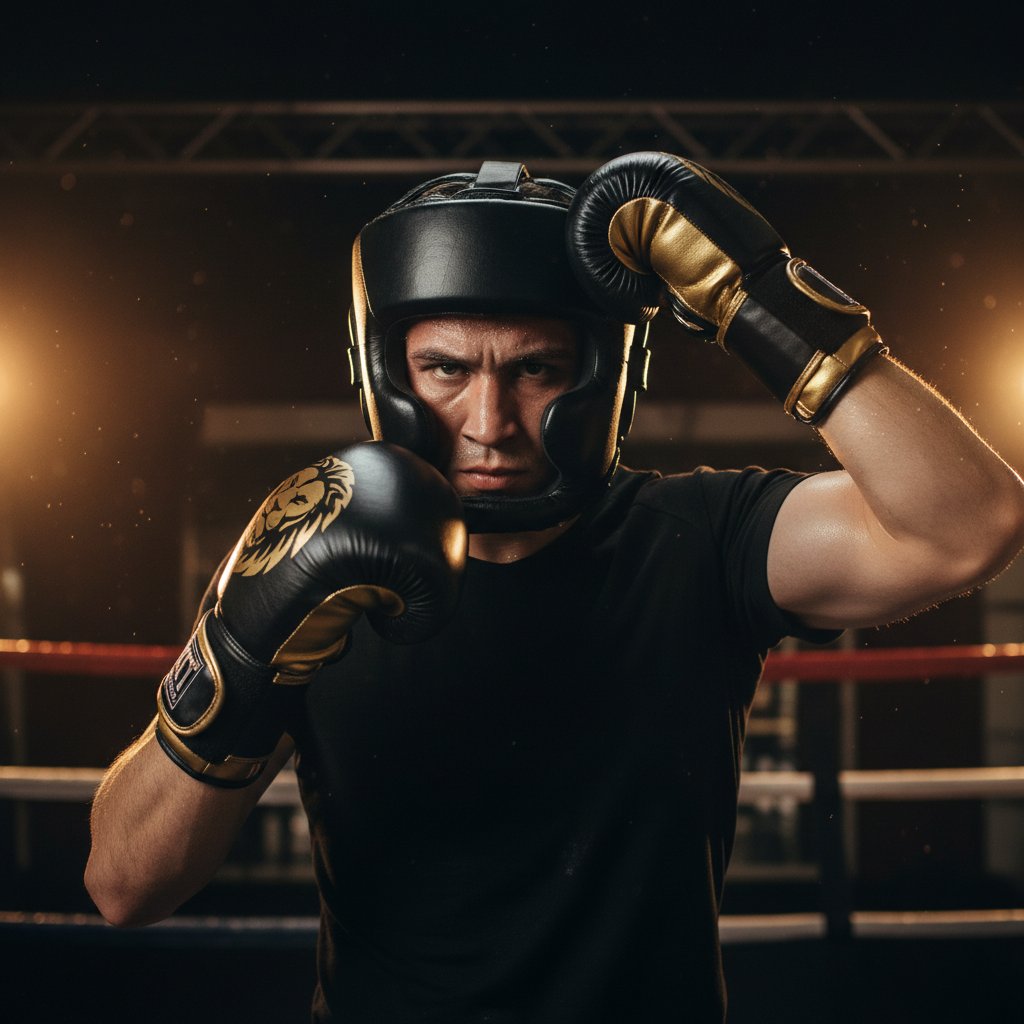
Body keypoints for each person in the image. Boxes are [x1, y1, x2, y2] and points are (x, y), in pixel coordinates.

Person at [85, 154, 1024, 1022]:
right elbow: (124, 885)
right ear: (387, 373)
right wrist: (242, 647)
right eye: (445, 368)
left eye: (536, 369)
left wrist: (759, 296)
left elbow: (968, 526)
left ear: (603, 377)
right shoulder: (320, 558)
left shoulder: (701, 540)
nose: (489, 423)